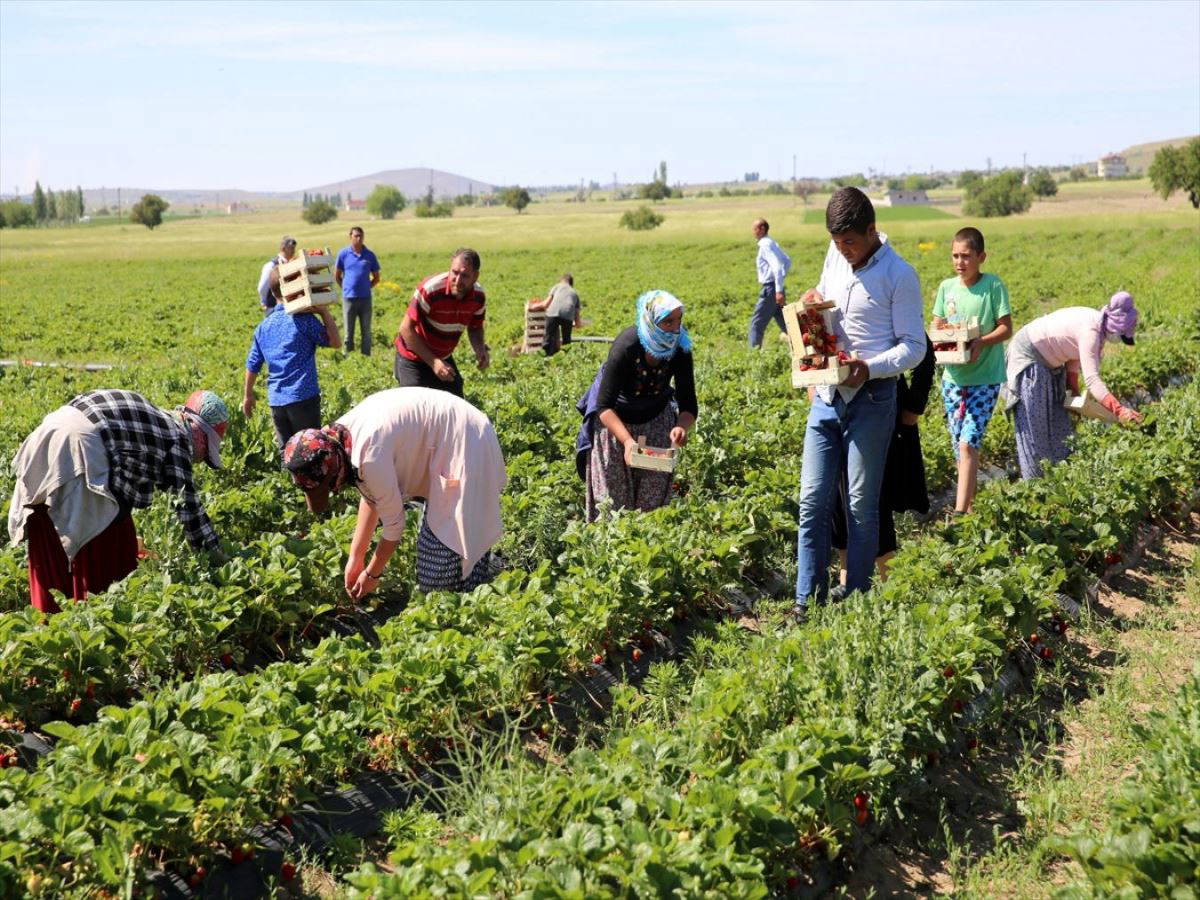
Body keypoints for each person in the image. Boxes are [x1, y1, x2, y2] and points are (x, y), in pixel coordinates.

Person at [793, 187, 925, 615]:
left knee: (860, 504)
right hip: (828, 395)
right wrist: (813, 299)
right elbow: (823, 295)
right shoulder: (835, 257)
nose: (843, 251)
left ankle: (858, 599)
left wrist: (869, 366)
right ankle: (805, 601)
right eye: (836, 243)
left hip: (872, 398)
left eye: (849, 242)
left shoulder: (899, 275)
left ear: (872, 231)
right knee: (812, 499)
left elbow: (914, 347)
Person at [7, 389, 229, 613]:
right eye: (206, 451)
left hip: (44, 438)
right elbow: (189, 510)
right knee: (113, 547)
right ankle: (93, 624)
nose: (200, 459)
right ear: (199, 432)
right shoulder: (177, 437)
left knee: (47, 531)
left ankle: (47, 627)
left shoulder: (155, 419)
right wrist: (220, 561)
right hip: (81, 450)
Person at [281, 388, 506, 597]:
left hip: (465, 440)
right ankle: (473, 589)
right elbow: (372, 497)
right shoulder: (336, 439)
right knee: (450, 543)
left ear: (333, 468)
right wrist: (355, 558)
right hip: (449, 437)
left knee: (446, 555)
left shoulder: (369, 456)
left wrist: (372, 575)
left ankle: (469, 604)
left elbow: (394, 526)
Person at [830, 336, 936, 591]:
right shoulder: (830, 303)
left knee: (876, 496)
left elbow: (924, 352)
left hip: (883, 405)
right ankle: (847, 579)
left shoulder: (888, 301)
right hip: (836, 405)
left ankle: (891, 585)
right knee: (839, 494)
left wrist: (914, 406)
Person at [583, 290, 697, 522]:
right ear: (651, 321)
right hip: (615, 424)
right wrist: (627, 442)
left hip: (655, 419)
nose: (676, 329)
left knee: (651, 509)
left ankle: (645, 550)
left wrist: (681, 427)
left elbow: (689, 403)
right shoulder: (627, 346)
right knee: (611, 506)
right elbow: (603, 406)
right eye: (668, 321)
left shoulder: (680, 348)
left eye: (678, 320)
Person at [1006, 292, 1142, 480]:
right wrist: (1119, 410)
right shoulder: (1091, 332)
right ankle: (1035, 485)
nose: (1120, 340)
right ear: (1115, 328)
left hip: (1050, 362)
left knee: (1059, 422)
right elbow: (1093, 380)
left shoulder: (1098, 327)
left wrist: (1074, 394)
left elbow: (1072, 361)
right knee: (1036, 428)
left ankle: (1059, 480)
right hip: (1029, 357)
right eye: (1122, 335)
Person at [931, 227, 1014, 513]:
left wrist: (981, 342)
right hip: (953, 379)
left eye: (966, 256)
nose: (959, 262)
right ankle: (970, 509)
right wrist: (942, 337)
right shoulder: (946, 288)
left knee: (967, 444)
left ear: (981, 257)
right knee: (961, 447)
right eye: (955, 256)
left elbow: (1006, 328)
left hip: (986, 378)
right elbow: (938, 326)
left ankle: (958, 516)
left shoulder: (992, 286)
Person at [242, 283, 342, 452]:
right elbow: (336, 342)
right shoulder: (304, 321)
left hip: (277, 402)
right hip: (303, 397)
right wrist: (324, 312)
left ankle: (289, 479)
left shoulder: (263, 327)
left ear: (273, 293)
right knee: (311, 452)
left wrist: (248, 395)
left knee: (287, 454)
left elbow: (253, 363)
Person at [393, 248, 489, 397]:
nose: (457, 281)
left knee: (455, 405)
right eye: (454, 272)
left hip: (442, 357)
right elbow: (406, 329)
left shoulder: (478, 297)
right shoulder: (431, 289)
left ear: (475, 276)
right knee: (416, 405)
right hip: (413, 356)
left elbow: (475, 328)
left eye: (464, 276)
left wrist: (480, 349)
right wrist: (434, 362)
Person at [335, 226, 381, 356]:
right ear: (350, 237)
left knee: (366, 331)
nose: (359, 238)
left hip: (365, 299)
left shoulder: (370, 255)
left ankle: (365, 358)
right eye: (356, 236)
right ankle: (348, 357)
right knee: (349, 332)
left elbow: (376, 278)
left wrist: (367, 286)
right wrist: (345, 288)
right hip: (349, 298)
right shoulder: (343, 254)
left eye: (361, 236)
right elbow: (337, 276)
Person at [748, 218, 792, 348]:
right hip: (776, 288)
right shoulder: (771, 242)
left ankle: (754, 356)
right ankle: (804, 347)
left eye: (755, 228)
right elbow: (787, 261)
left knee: (756, 324)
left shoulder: (765, 245)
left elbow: (777, 266)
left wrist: (777, 289)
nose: (753, 232)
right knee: (785, 323)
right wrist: (780, 282)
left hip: (771, 290)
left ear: (762, 229)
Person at [529, 273, 582, 355]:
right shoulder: (574, 293)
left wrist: (533, 306)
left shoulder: (557, 287)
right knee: (566, 341)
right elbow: (577, 318)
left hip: (553, 313)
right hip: (567, 315)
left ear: (562, 281)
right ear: (571, 283)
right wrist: (576, 324)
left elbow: (545, 304)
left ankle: (546, 355)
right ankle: (566, 358)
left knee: (548, 338)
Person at [257, 236, 297, 313]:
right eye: (291, 248)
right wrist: (264, 302)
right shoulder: (271, 265)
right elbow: (262, 287)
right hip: (273, 308)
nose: (293, 251)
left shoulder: (291, 264)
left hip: (289, 307)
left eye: (294, 248)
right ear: (283, 248)